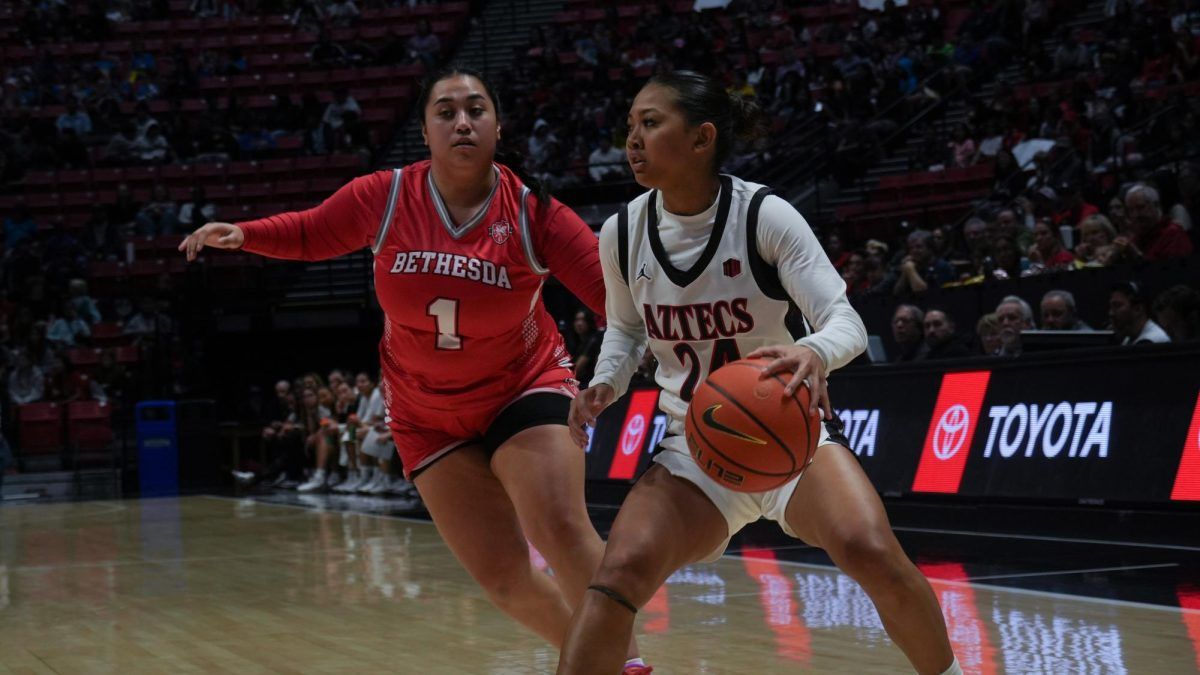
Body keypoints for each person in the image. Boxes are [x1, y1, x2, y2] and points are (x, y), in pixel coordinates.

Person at [179, 66, 647, 672]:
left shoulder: (536, 214)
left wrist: (672, 354)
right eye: (446, 111)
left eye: (476, 110)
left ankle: (628, 663)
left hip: (523, 386)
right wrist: (244, 233)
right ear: (425, 131)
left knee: (560, 525)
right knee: (505, 580)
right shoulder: (384, 195)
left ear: (497, 127)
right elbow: (315, 232)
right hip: (425, 413)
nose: (462, 122)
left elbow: (621, 302)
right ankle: (590, 657)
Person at [558, 71, 958, 675]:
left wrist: (814, 352)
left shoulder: (765, 215)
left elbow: (843, 320)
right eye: (630, 126)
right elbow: (625, 328)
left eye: (650, 122)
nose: (631, 140)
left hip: (790, 433)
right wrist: (607, 382)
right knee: (615, 577)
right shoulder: (622, 232)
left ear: (702, 138)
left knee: (870, 550)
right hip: (693, 446)